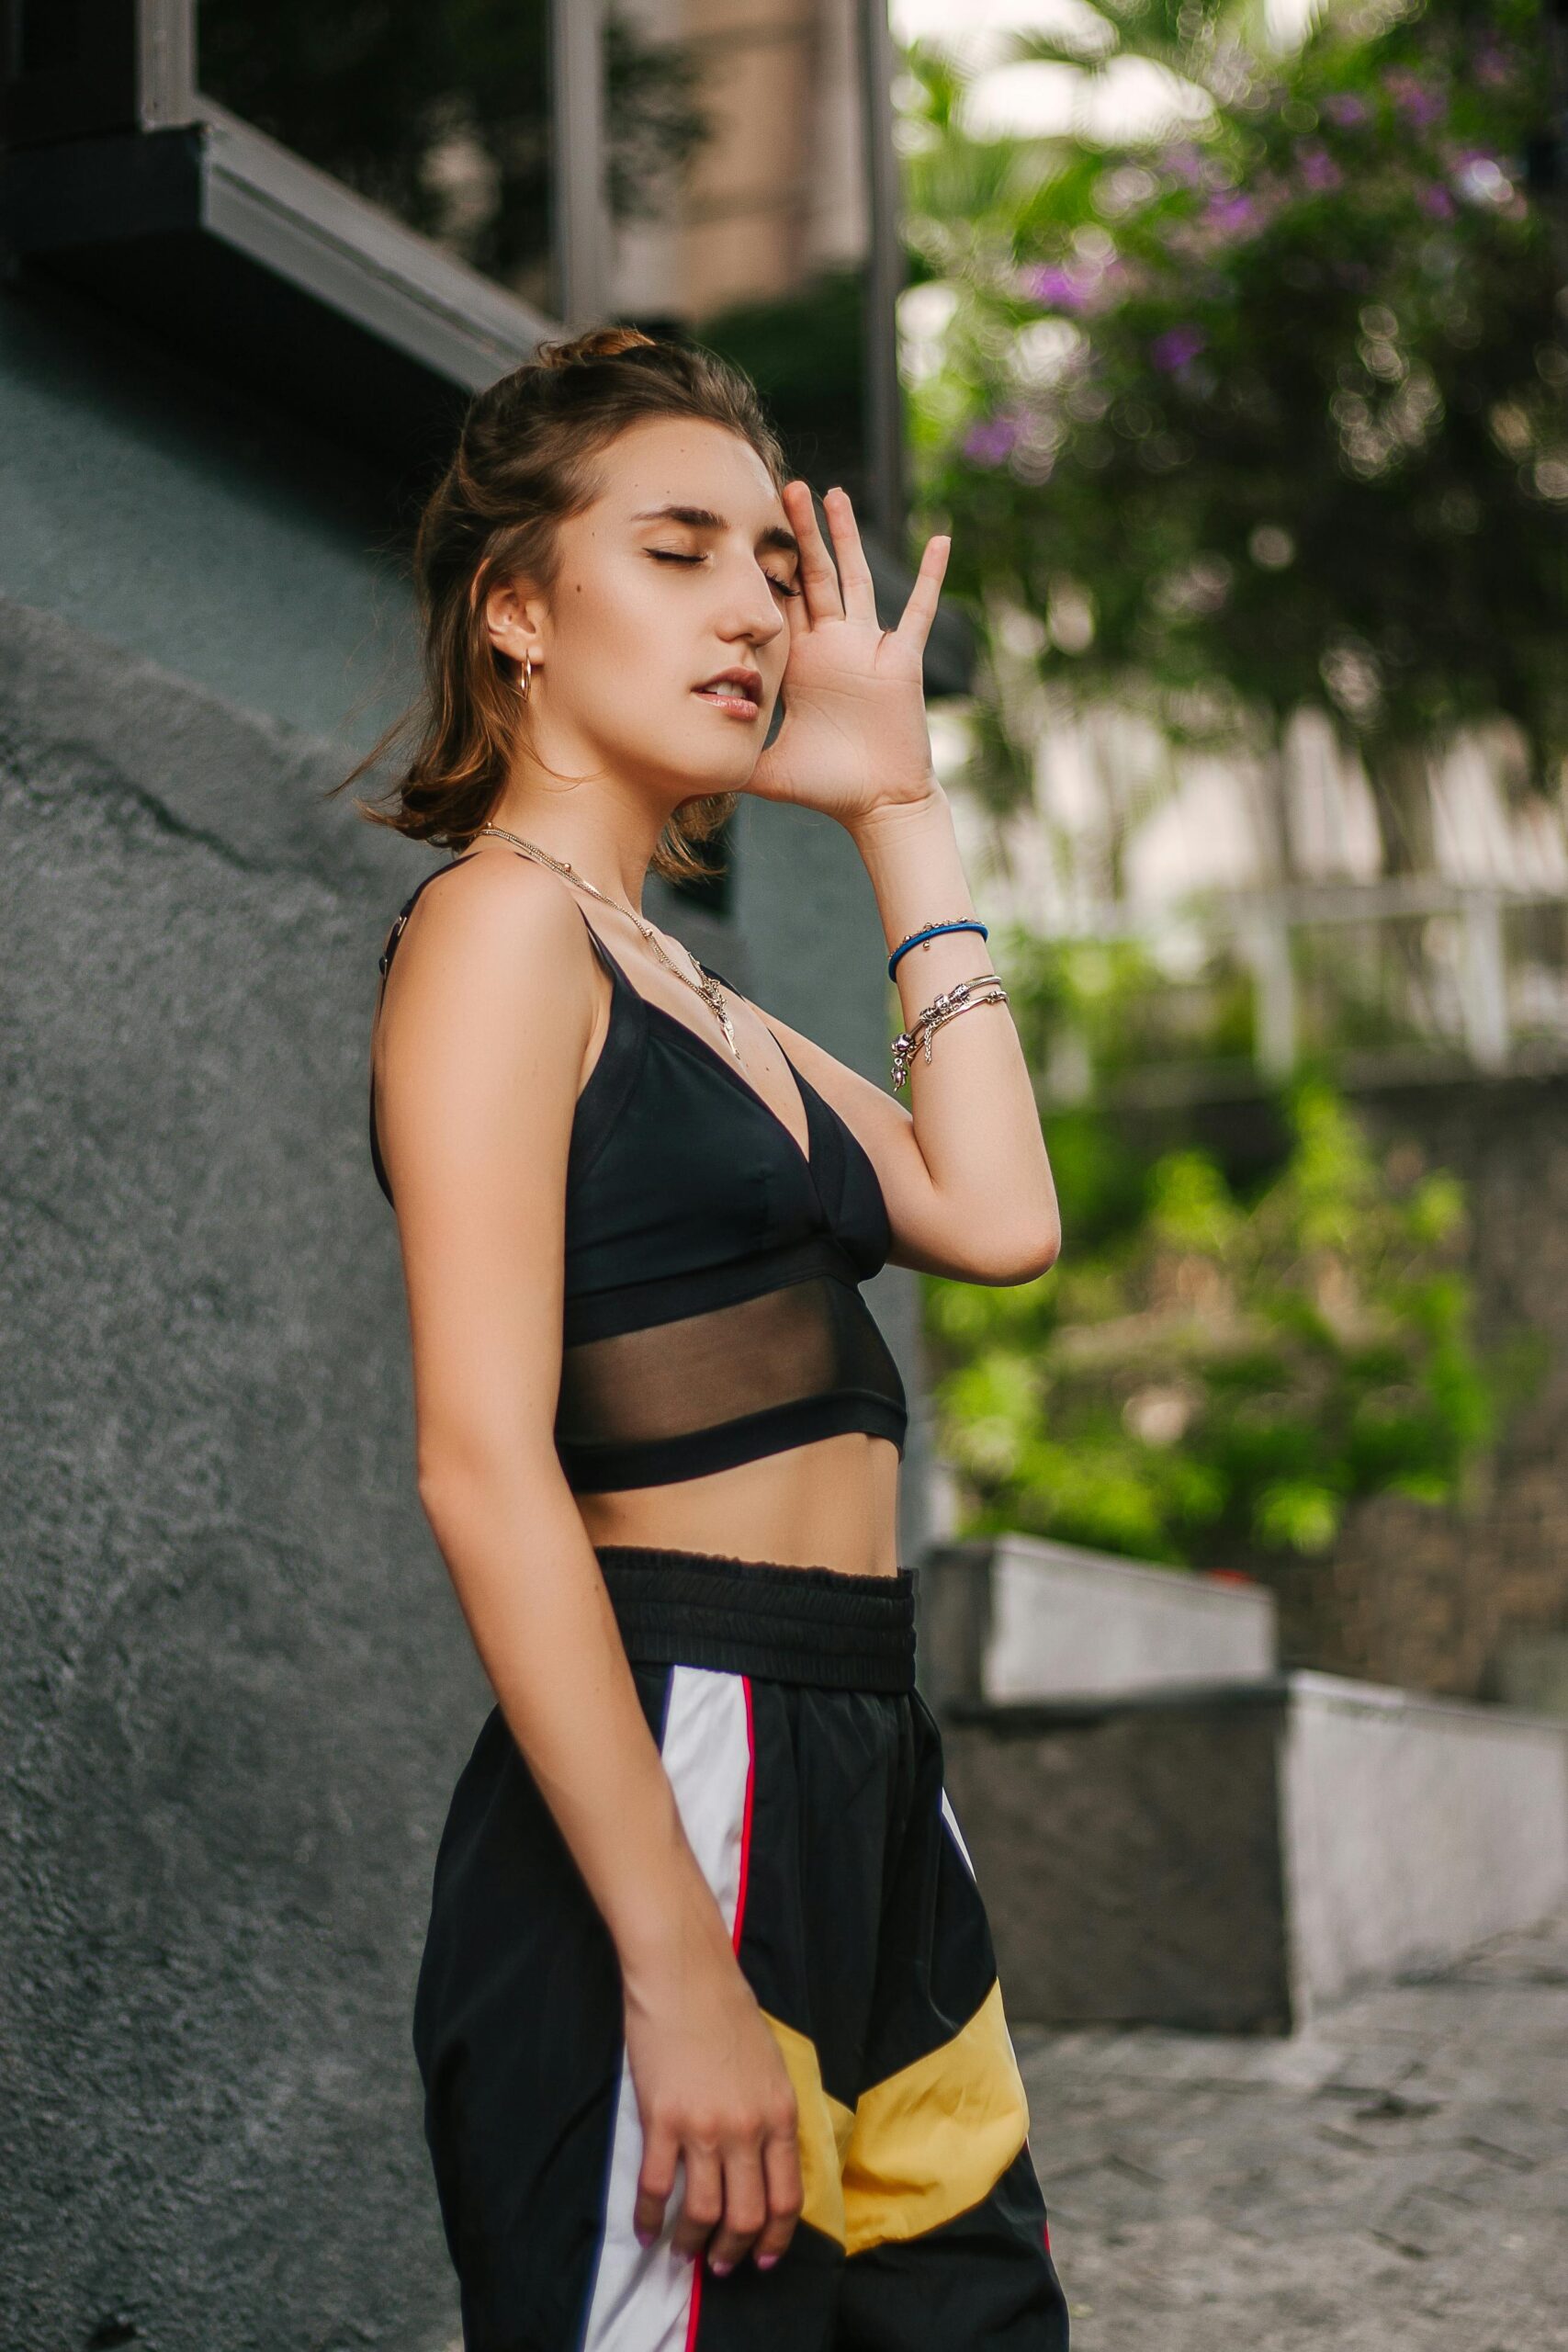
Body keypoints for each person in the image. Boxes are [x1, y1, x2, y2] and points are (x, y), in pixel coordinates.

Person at [344, 323, 1069, 2350]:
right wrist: (673, 1966)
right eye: (678, 550)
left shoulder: (698, 994)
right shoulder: (498, 931)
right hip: (690, 1756)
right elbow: (478, 1461)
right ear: (514, 607)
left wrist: (895, 805)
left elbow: (998, 1218)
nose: (753, 605)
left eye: (768, 560)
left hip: (861, 1758)